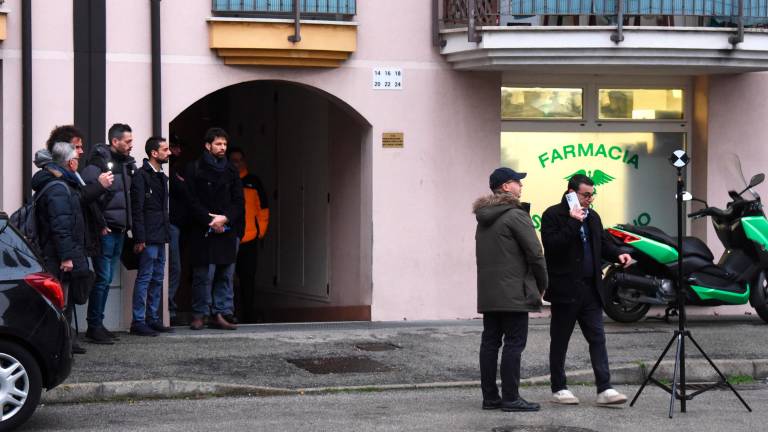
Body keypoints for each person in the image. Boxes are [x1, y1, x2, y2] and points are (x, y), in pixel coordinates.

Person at [540, 174, 633, 406]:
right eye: (585, 195)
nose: (589, 199)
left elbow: (602, 243)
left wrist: (617, 253)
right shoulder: (553, 215)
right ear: (571, 192)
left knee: (597, 338)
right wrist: (573, 221)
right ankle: (559, 388)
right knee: (560, 340)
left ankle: (605, 388)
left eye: (592, 195)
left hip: (591, 288)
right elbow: (553, 247)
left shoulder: (593, 217)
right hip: (565, 289)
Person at [473, 167, 548, 412]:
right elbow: (535, 253)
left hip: (490, 292)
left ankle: (490, 398)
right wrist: (542, 284)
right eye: (517, 182)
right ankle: (511, 398)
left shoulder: (485, 217)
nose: (521, 186)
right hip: (514, 292)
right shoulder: (515, 214)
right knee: (514, 343)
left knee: (490, 343)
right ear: (506, 186)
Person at [32, 142, 113, 355]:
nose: (79, 159)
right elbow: (61, 226)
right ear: (70, 162)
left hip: (59, 253)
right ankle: (58, 348)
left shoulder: (61, 183)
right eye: (76, 158)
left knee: (65, 301)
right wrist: (66, 257)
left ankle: (64, 344)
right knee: (61, 301)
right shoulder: (59, 187)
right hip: (58, 256)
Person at [81, 123, 136, 344]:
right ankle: (94, 326)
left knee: (106, 278)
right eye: (128, 141)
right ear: (115, 142)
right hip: (105, 231)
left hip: (119, 231)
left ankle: (98, 324)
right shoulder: (97, 166)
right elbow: (87, 198)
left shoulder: (126, 165)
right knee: (102, 279)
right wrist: (101, 223)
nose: (132, 145)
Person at [185, 127, 244, 330]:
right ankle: (199, 314)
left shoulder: (231, 170)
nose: (222, 148)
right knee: (203, 275)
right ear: (208, 145)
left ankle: (220, 313)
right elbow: (190, 200)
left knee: (224, 273)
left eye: (225, 144)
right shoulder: (194, 168)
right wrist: (210, 220)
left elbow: (238, 201)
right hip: (203, 227)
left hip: (226, 227)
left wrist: (225, 219)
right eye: (218, 144)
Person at [129, 137, 173, 336]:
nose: (169, 152)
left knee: (157, 277)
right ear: (154, 153)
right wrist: (140, 238)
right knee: (146, 278)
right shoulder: (141, 176)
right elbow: (136, 210)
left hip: (160, 234)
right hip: (149, 235)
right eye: (165, 149)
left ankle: (152, 318)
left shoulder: (161, 176)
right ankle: (139, 321)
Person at [228, 147, 270, 323]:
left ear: (244, 162)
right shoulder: (226, 180)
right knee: (226, 278)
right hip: (229, 237)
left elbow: (263, 209)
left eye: (240, 160)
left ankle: (249, 315)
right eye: (234, 161)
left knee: (248, 279)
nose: (237, 164)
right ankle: (228, 313)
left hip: (250, 238)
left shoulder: (253, 181)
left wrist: (260, 232)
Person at [167, 137, 186, 325]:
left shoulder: (179, 169)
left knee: (175, 267)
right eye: (173, 147)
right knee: (173, 267)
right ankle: (168, 309)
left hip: (180, 225)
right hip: (170, 224)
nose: (176, 151)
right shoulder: (168, 170)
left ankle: (169, 307)